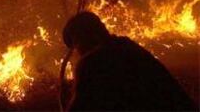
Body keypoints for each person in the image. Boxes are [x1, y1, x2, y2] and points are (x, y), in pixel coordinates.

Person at [61, 11, 196, 111]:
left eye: (76, 44)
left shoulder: (91, 63)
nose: (77, 51)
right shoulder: (127, 46)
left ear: (83, 37)